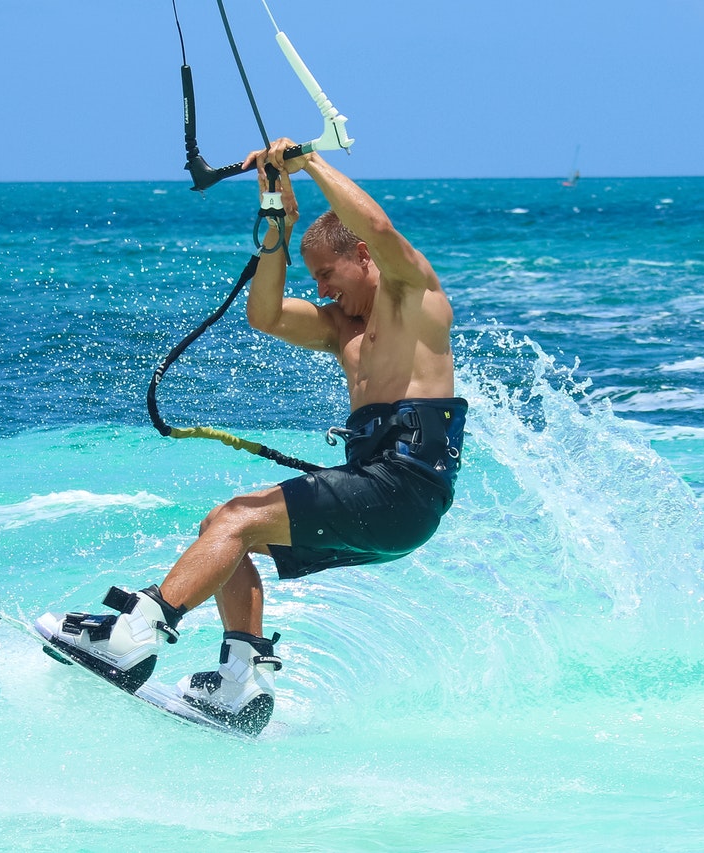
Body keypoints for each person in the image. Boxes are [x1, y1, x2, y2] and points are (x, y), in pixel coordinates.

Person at [34, 137, 467, 734]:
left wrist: (308, 161)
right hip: (382, 493)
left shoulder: (415, 298)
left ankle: (135, 632)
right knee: (223, 526)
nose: (320, 290)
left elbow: (381, 226)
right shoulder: (344, 330)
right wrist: (275, 217)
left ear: (362, 256)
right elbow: (263, 314)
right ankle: (241, 683)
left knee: (240, 517)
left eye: (327, 275)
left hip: (403, 488)